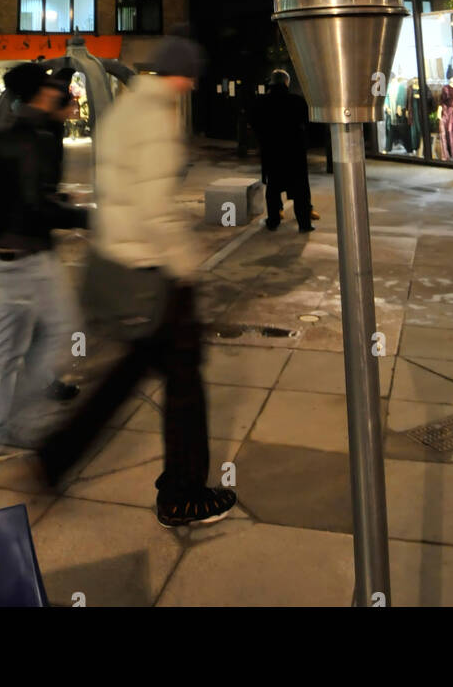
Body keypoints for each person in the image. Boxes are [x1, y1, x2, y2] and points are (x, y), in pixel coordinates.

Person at [38, 30, 237, 528]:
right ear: (181, 74)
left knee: (133, 370)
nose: (192, 86)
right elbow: (153, 205)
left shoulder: (126, 109)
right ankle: (183, 495)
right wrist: (185, 266)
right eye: (190, 76)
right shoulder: (155, 118)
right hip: (154, 270)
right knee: (185, 380)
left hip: (122, 260)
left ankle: (54, 457)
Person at [0, 62, 87, 465]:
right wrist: (85, 217)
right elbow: (36, 204)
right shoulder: (33, 137)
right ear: (41, 92)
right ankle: (14, 426)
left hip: (6, 256)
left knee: (14, 346)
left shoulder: (14, 130)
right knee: (55, 331)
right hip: (27, 256)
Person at [250, 69, 314, 232]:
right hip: (295, 153)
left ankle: (273, 221)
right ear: (287, 82)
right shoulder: (297, 101)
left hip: (272, 152)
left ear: (271, 82)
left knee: (273, 189)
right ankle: (304, 224)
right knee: (301, 190)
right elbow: (308, 124)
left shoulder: (261, 102)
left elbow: (255, 125)